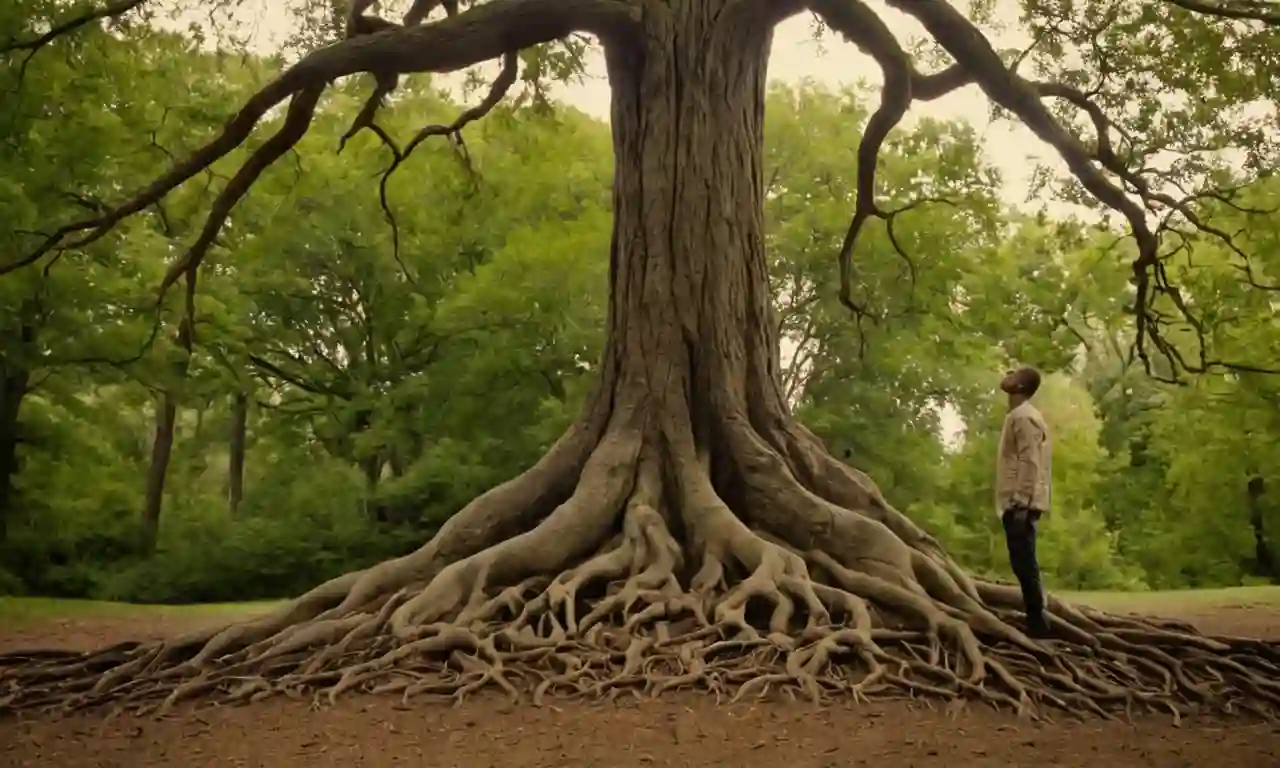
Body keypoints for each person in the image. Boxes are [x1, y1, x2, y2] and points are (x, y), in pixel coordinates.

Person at [995, 366, 1052, 638]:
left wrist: (1020, 501)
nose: (1008, 373)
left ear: (1020, 386)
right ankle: (1037, 619)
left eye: (1015, 373)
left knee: (1025, 562)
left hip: (1020, 504)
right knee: (1022, 561)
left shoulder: (1025, 417)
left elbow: (1030, 462)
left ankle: (1038, 624)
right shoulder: (1018, 415)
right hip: (1018, 503)